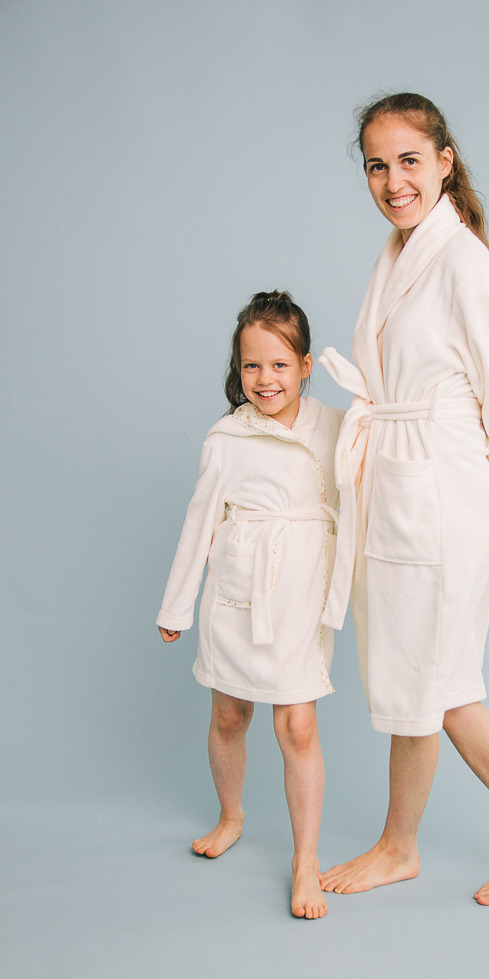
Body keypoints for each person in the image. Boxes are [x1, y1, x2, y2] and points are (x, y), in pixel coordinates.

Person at [318, 93, 489, 904]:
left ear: (444, 161)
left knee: (428, 682)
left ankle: (405, 847)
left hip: (440, 493)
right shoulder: (398, 253)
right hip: (405, 485)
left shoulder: (462, 261)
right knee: (438, 682)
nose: (393, 181)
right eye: (376, 165)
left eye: (409, 160)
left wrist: (459, 466)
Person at [157, 291, 343, 919]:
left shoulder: (337, 426)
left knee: (297, 726)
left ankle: (305, 860)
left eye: (280, 364)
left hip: (300, 594)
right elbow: (199, 523)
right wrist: (177, 606)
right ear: (238, 370)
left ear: (307, 365)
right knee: (230, 714)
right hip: (236, 594)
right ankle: (231, 815)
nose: (265, 379)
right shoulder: (227, 437)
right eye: (251, 365)